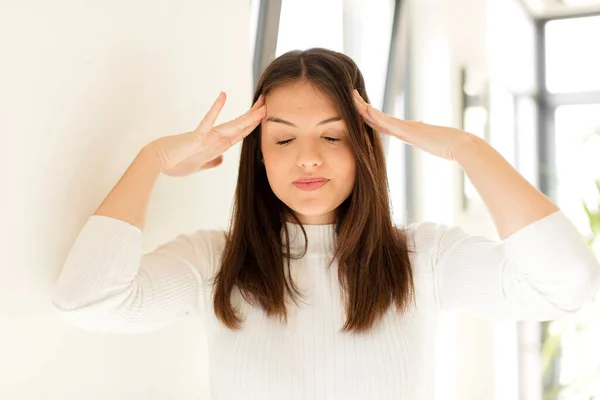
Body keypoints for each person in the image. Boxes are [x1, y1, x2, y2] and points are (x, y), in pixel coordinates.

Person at [52, 48, 600, 399]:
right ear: (259, 155)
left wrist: (465, 147)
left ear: (364, 148)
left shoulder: (423, 259)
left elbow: (565, 285)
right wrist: (154, 160)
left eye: (333, 136)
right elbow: (87, 300)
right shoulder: (214, 264)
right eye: (284, 138)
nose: (307, 158)